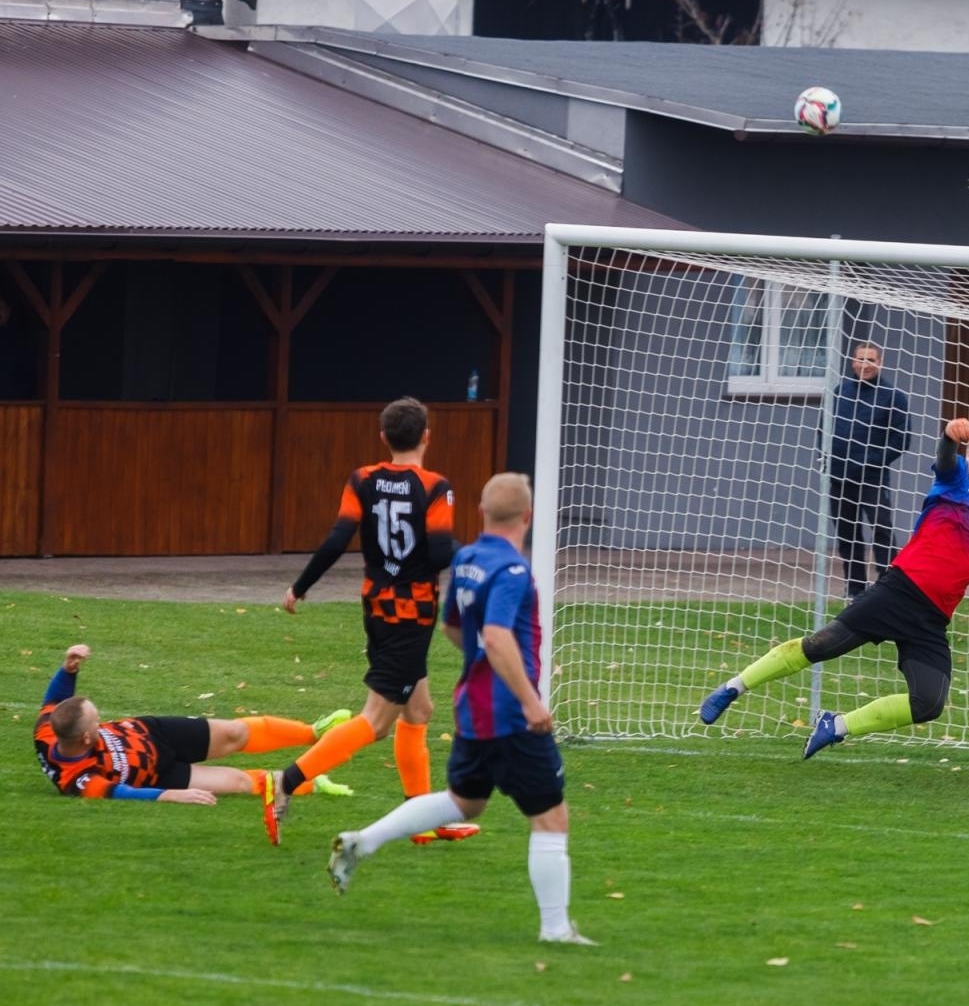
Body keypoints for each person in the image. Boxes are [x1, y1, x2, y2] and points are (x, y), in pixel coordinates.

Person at [700, 417, 969, 758]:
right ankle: (733, 688)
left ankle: (835, 726)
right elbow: (948, 456)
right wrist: (951, 437)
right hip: (896, 593)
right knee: (819, 646)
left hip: (931, 618)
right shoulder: (951, 485)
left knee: (929, 703)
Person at [327, 473, 596, 946]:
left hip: (471, 706)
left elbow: (454, 627)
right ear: (527, 517)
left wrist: (483, 662)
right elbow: (494, 636)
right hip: (509, 714)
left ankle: (363, 840)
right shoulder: (512, 570)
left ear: (482, 512)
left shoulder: (468, 558)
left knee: (465, 801)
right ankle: (556, 930)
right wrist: (531, 700)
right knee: (551, 818)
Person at [273, 396, 476, 846]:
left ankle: (420, 820)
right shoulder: (435, 486)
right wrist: (480, 559)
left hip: (377, 608)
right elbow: (442, 554)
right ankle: (286, 781)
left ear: (384, 437)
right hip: (412, 614)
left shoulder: (362, 479)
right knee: (376, 722)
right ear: (427, 435)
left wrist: (300, 586)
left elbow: (336, 540)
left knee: (419, 711)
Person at [32, 644, 352, 836]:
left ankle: (313, 732)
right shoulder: (80, 780)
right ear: (86, 738)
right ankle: (310, 782)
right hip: (162, 775)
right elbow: (122, 792)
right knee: (240, 783)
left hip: (156, 733)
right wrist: (170, 795)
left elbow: (55, 703)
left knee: (235, 733)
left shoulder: (49, 731)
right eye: (97, 722)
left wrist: (68, 668)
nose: (102, 723)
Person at [830, 341, 910, 601]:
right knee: (847, 533)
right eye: (860, 359)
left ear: (880, 362)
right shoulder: (840, 392)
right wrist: (825, 458)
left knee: (882, 527)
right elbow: (824, 429)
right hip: (839, 477)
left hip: (872, 478)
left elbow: (901, 440)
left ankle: (890, 586)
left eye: (871, 360)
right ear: (853, 361)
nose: (865, 365)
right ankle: (855, 589)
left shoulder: (894, 397)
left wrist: (870, 460)